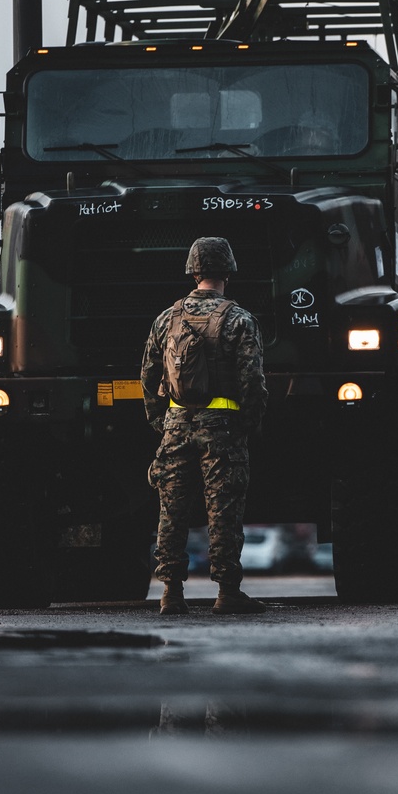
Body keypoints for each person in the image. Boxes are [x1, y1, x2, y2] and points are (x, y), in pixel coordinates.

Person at [141, 236, 268, 616]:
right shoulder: (240, 319)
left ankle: (171, 594)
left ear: (193, 271)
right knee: (223, 509)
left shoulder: (167, 318)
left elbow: (149, 376)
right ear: (227, 271)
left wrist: (161, 422)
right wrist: (248, 423)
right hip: (223, 427)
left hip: (176, 423)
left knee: (172, 508)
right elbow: (253, 381)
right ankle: (227, 592)